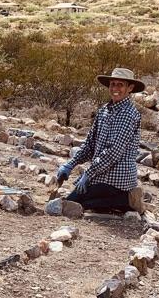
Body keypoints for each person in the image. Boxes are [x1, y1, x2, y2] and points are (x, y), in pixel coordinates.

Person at [55, 67, 145, 214]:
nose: (115, 88)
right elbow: (90, 143)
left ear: (130, 88)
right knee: (75, 200)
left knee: (74, 203)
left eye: (120, 85)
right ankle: (117, 201)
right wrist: (70, 164)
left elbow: (113, 152)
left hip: (117, 178)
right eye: (112, 84)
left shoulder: (129, 114)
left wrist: (88, 173)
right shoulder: (104, 110)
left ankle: (126, 199)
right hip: (101, 173)